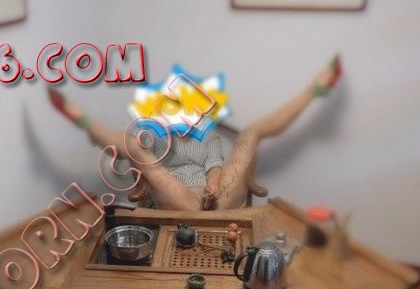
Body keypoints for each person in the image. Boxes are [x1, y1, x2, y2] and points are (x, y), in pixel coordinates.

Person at [48, 56, 342, 211]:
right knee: (136, 148)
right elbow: (126, 149)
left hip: (217, 202)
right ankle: (81, 119)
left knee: (251, 133)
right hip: (180, 204)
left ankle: (313, 91)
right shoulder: (157, 135)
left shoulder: (208, 136)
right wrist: (105, 139)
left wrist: (212, 188)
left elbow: (215, 168)